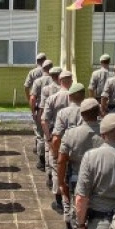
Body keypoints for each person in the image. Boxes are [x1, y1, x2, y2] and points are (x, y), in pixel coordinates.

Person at [58, 98, 103, 229]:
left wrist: (61, 183)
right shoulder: (106, 132)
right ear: (98, 112)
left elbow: (62, 160)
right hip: (102, 181)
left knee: (79, 221)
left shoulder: (71, 134)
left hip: (78, 180)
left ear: (82, 114)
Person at [52, 83, 85, 229]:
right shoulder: (90, 111)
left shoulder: (64, 113)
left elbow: (57, 137)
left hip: (69, 158)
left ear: (70, 96)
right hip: (88, 160)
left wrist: (57, 155)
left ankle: (70, 227)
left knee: (67, 192)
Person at [41, 70, 73, 208]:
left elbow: (44, 121)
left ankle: (58, 198)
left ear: (60, 81)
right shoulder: (76, 98)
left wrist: (48, 137)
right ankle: (70, 194)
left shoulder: (52, 98)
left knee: (56, 166)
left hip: (57, 136)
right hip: (72, 137)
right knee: (71, 165)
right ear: (70, 81)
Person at [29, 60, 54, 169]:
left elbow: (33, 97)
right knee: (52, 135)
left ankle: (42, 160)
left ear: (42, 68)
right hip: (54, 111)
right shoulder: (56, 82)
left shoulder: (38, 81)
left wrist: (33, 110)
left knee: (40, 135)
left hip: (41, 110)